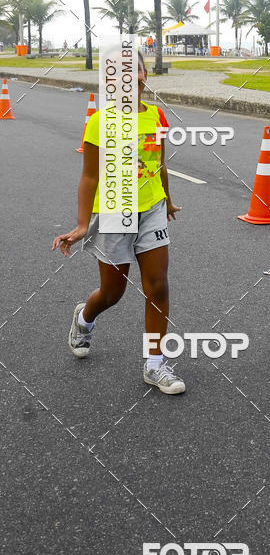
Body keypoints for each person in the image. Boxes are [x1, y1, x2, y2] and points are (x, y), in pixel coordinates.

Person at [52, 51, 185, 394]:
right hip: (113, 211)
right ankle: (84, 317)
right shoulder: (100, 121)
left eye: (134, 70)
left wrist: (167, 200)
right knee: (113, 292)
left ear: (144, 75)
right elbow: (89, 177)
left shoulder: (156, 116)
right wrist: (83, 224)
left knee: (158, 285)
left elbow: (160, 164)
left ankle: (155, 364)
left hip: (152, 208)